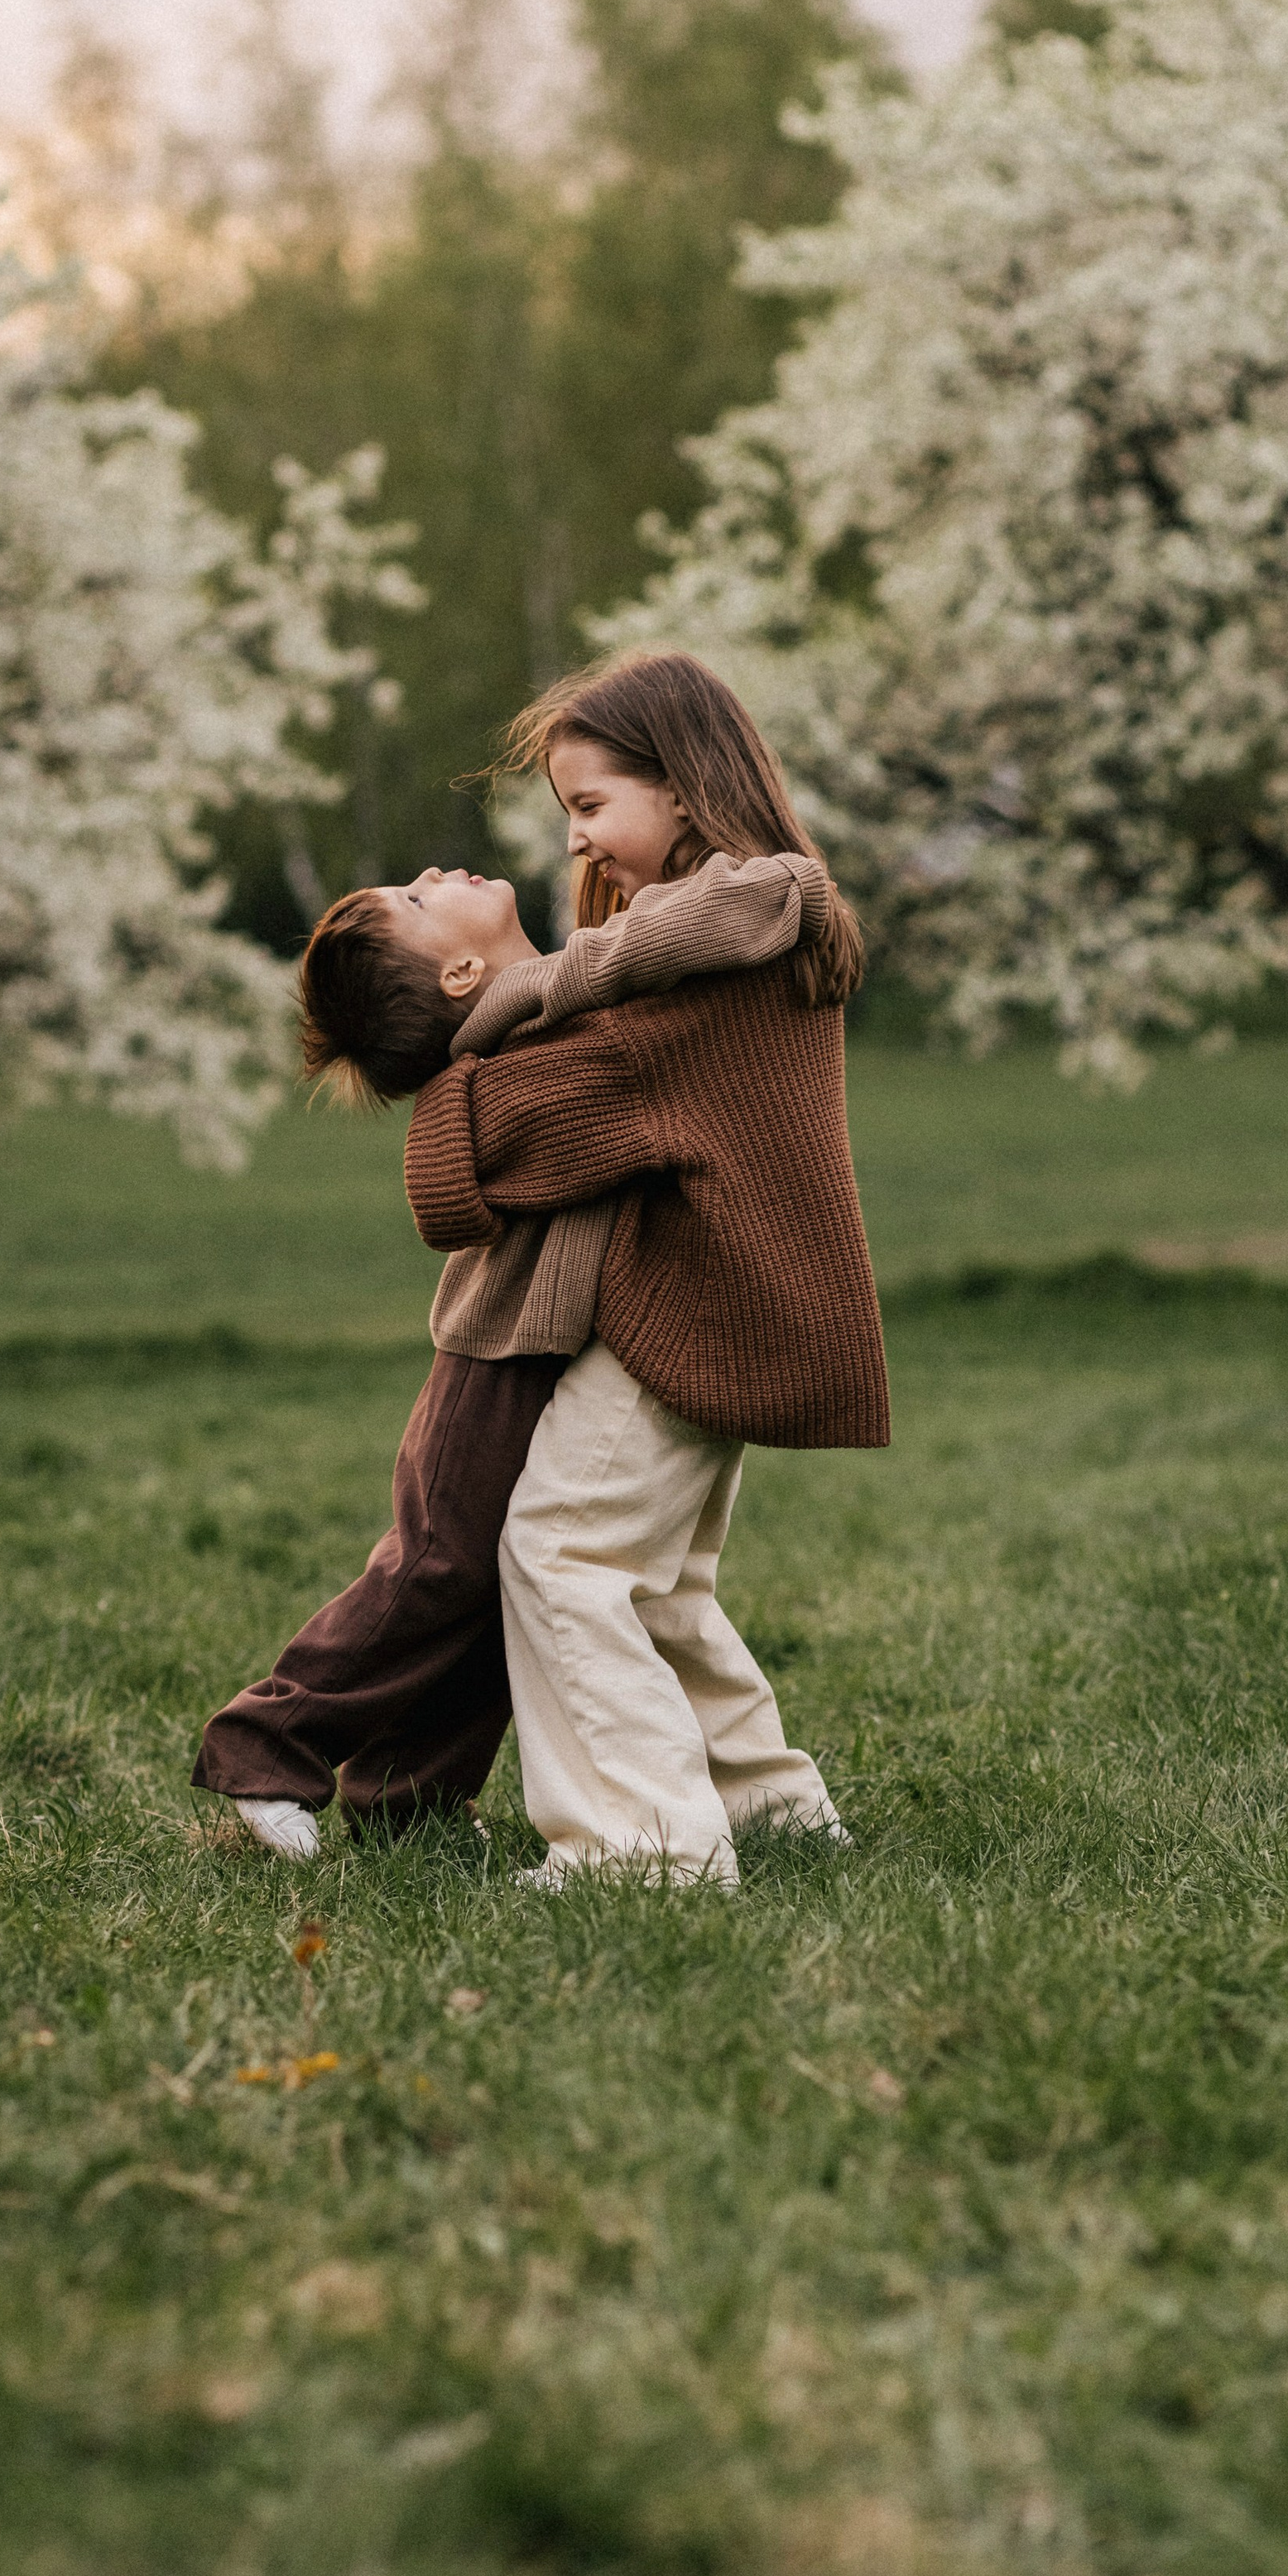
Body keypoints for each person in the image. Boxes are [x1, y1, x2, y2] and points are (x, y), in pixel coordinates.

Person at [191, 829, 837, 1857]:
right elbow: (454, 1165)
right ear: (457, 971)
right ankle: (263, 1748)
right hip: (494, 1357)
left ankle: (403, 1808)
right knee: (436, 1568)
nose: (436, 869)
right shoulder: (516, 1057)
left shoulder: (548, 1013)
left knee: (503, 1590)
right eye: (414, 893)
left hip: (562, 1349)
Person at [402, 649, 890, 1886]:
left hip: (701, 1308)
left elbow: (552, 1116)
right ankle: (774, 1814)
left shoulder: (729, 934)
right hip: (730, 1300)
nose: (579, 841)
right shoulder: (699, 945)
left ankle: (645, 1849)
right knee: (661, 1585)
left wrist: (463, 1059)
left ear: (685, 786)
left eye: (590, 805)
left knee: (563, 1552)